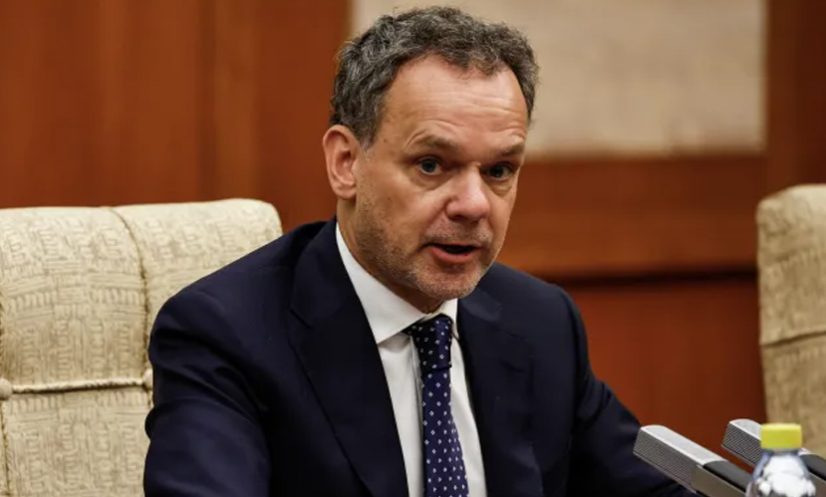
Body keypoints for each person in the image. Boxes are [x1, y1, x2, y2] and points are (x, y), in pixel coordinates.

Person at [144, 7, 691, 497]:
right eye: (432, 165)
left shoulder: (542, 323)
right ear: (345, 163)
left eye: (499, 170)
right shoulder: (226, 335)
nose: (474, 205)